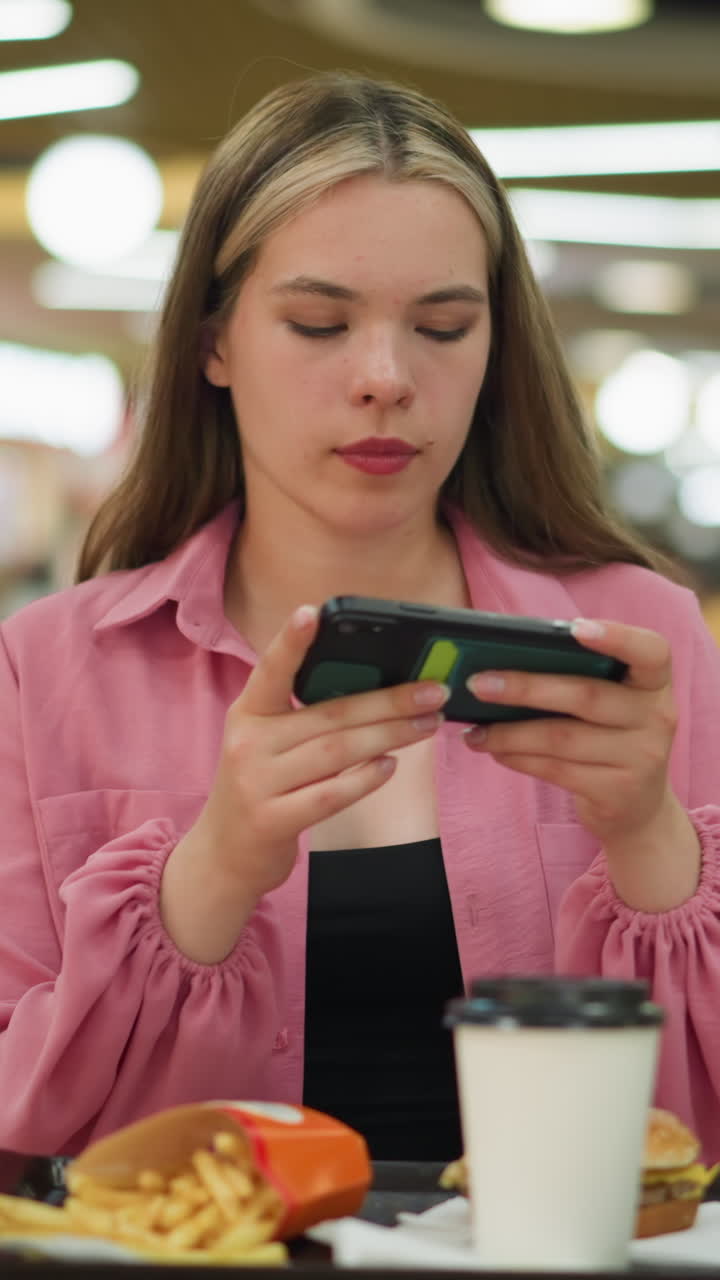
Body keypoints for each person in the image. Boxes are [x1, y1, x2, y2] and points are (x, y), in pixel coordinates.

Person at [1, 71, 720, 1179]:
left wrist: (651, 845)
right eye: (318, 323)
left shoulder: (637, 640)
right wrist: (210, 875)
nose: (386, 378)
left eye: (443, 325)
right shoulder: (51, 667)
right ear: (213, 343)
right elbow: (22, 1112)